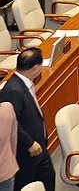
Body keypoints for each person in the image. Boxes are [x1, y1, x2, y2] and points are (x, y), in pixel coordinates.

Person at [0, 49, 53, 191]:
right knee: (29, 183)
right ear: (35, 68)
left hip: (39, 145)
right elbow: (12, 123)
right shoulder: (13, 90)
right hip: (27, 150)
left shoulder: (25, 82)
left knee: (48, 178)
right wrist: (29, 143)